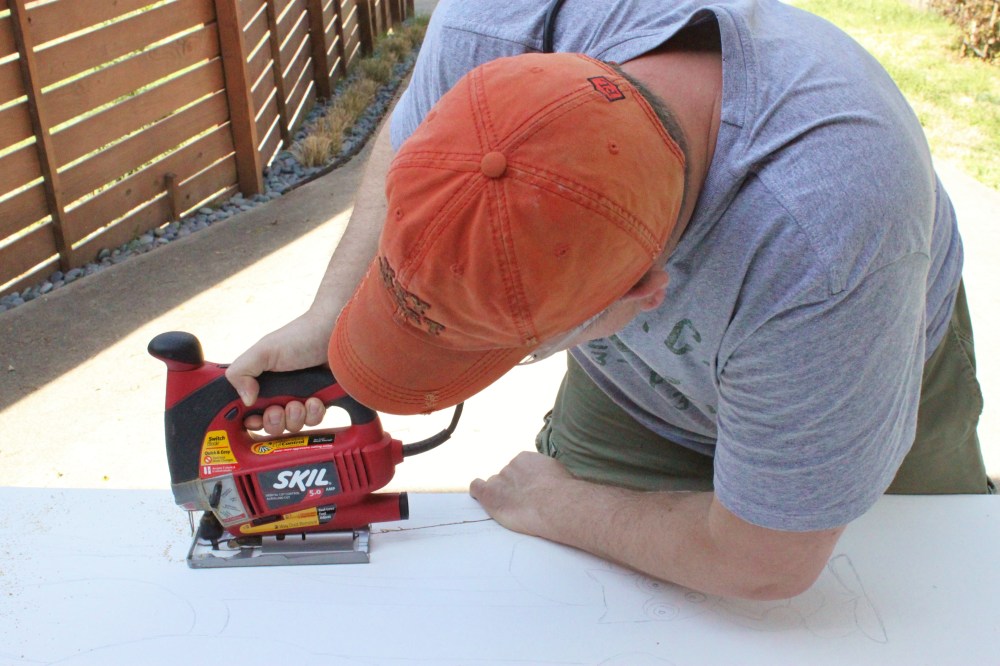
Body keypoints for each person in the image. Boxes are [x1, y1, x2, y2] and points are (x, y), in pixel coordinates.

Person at [226, 0, 991, 599]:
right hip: (640, 394)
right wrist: (331, 319)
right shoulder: (498, 24)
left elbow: (768, 562)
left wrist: (566, 509)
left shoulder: (832, 243)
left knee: (926, 585)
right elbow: (410, 132)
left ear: (644, 297)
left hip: (859, 363)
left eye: (509, 338)